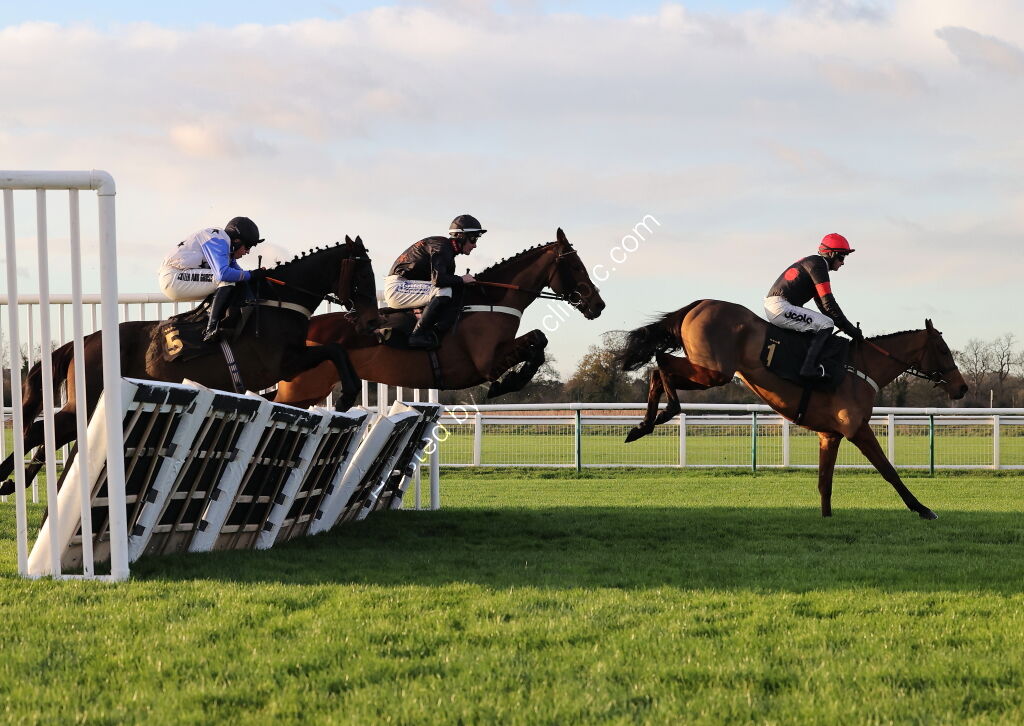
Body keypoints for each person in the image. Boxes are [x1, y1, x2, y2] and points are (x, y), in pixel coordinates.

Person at [764, 233, 863, 380]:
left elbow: (824, 307)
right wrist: (851, 330)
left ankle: (802, 362)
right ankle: (808, 368)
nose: (843, 263)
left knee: (823, 321)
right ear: (831, 254)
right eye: (842, 257)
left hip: (778, 306)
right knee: (826, 324)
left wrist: (847, 329)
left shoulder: (815, 264)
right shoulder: (818, 266)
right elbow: (829, 304)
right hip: (780, 307)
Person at [383, 214, 483, 349]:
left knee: (449, 290)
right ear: (460, 236)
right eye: (473, 239)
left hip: (406, 287)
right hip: (398, 287)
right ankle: (417, 335)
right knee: (444, 290)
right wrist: (462, 279)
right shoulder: (441, 246)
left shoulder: (448, 254)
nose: (475, 245)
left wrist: (462, 282)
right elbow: (439, 280)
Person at [158, 217, 264, 342]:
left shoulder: (225, 246)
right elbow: (224, 274)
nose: (248, 252)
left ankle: (211, 317)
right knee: (226, 281)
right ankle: (211, 329)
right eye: (248, 246)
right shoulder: (219, 240)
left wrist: (259, 275)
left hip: (177, 277)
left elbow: (240, 274)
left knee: (233, 281)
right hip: (173, 277)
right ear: (236, 240)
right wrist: (251, 275)